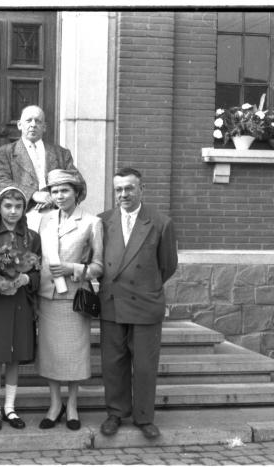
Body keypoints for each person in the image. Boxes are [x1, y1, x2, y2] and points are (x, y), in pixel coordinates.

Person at [97, 167, 178, 440]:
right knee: (113, 362)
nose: (124, 194)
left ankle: (144, 417)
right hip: (112, 302)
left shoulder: (160, 222)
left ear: (142, 189)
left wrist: (147, 286)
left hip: (145, 303)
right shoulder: (103, 221)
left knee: (144, 364)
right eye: (118, 189)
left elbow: (168, 265)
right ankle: (116, 413)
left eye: (129, 188)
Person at [35, 169, 103, 431]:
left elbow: (98, 266)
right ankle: (54, 405)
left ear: (77, 192)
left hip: (74, 298)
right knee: (51, 355)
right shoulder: (44, 220)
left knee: (74, 355)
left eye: (65, 190)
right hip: (48, 296)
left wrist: (72, 268)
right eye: (54, 191)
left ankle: (72, 405)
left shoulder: (91, 222)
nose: (59, 195)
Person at [0, 186, 41, 431]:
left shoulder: (32, 237)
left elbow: (38, 271)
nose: (13, 211)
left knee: (14, 357)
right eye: (8, 206)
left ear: (24, 209)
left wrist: (26, 279)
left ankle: (10, 408)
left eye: (18, 206)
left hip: (21, 302)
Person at [0, 105, 76, 230]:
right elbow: (0, 183)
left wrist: (55, 196)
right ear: (20, 125)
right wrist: (33, 195)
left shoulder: (61, 153)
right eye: (28, 120)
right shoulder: (5, 153)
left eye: (38, 121)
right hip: (21, 218)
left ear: (44, 127)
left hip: (59, 218)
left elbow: (77, 182)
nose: (33, 124)